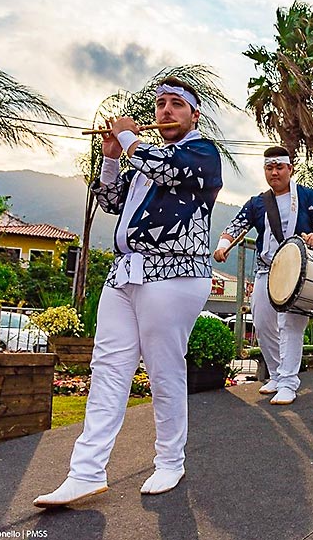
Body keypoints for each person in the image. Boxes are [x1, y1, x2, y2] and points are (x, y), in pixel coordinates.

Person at [34, 78, 223, 507]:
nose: (166, 111)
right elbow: (111, 201)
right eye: (161, 104)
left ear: (194, 115)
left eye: (177, 105)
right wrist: (112, 159)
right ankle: (85, 472)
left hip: (174, 275)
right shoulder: (144, 154)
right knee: (108, 369)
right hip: (126, 272)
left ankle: (170, 461)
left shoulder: (201, 152)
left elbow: (165, 169)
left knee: (163, 370)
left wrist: (129, 137)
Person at [214, 146, 313, 406]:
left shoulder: (307, 196)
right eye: (269, 168)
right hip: (267, 269)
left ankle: (290, 381)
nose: (274, 172)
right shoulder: (258, 202)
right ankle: (278, 374)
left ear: (290, 168)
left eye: (279, 167)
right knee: (262, 321)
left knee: (291, 326)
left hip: (300, 273)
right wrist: (223, 246)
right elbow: (236, 226)